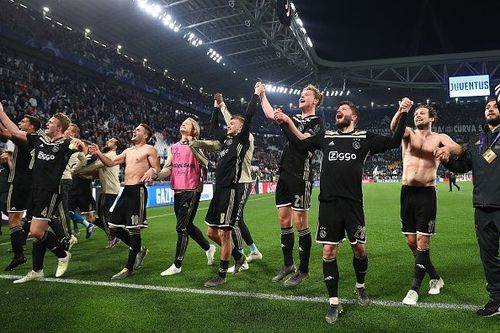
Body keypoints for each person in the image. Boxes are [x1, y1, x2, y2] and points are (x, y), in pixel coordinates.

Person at [276, 99, 410, 323]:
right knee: (328, 252)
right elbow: (300, 145)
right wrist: (284, 123)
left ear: (354, 117)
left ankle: (360, 286)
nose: (339, 111)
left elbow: (395, 141)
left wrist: (404, 112)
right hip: (328, 204)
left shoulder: (364, 138)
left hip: (352, 204)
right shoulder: (326, 136)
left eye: (344, 109)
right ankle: (334, 303)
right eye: (338, 109)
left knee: (359, 250)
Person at [0, 105, 86, 284]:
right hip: (34, 191)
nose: (47, 124)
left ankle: (62, 254)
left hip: (50, 193)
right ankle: (37, 270)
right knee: (37, 233)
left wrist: (79, 144)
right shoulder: (39, 140)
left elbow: (80, 148)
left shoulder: (64, 144)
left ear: (59, 127)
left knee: (36, 233)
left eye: (51, 122)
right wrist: (1, 113)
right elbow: (15, 132)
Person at [191, 82, 263, 287]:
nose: (228, 125)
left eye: (232, 123)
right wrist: (215, 107)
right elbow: (214, 127)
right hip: (218, 190)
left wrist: (255, 95)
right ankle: (239, 254)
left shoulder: (242, 140)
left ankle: (221, 274)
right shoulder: (227, 140)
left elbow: (247, 117)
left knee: (225, 232)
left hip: (232, 189)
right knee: (211, 232)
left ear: (240, 128)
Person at [390, 103, 463, 306]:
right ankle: (435, 277)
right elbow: (394, 128)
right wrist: (401, 111)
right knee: (411, 243)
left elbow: (460, 150)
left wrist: (447, 149)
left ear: (432, 118)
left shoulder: (440, 138)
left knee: (423, 242)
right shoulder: (408, 133)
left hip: (427, 194)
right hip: (407, 193)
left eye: (422, 113)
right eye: (416, 113)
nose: (418, 116)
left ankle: (414, 289)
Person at [437, 95, 500, 317]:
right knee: (488, 256)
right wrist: (446, 160)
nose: (490, 109)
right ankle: (496, 299)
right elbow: (463, 166)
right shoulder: (477, 138)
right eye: (487, 106)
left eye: (495, 105)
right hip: (482, 207)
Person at [260, 84, 324, 287]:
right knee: (283, 219)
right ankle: (288, 264)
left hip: (301, 175)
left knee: (300, 222)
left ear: (316, 101)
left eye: (307, 95)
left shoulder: (318, 122)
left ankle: (303, 270)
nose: (302, 96)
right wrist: (262, 94)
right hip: (285, 173)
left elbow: (304, 142)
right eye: (301, 94)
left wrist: (287, 123)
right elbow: (271, 114)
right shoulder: (294, 118)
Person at [88, 123, 160, 280]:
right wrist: (99, 152)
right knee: (113, 226)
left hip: (138, 191)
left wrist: (152, 171)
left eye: (138, 130)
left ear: (146, 135)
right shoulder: (128, 151)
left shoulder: (149, 149)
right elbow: (111, 162)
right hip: (126, 191)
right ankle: (139, 249)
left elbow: (157, 169)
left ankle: (128, 267)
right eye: (134, 129)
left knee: (134, 229)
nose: (134, 131)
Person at [157, 117, 216, 276]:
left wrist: (193, 146)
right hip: (177, 190)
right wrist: (156, 174)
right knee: (187, 226)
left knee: (181, 227)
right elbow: (167, 169)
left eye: (187, 123)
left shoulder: (198, 144)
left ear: (193, 129)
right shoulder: (173, 147)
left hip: (192, 189)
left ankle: (177, 264)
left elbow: (205, 163)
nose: (183, 124)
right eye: (182, 122)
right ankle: (208, 248)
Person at [214, 93, 262, 272]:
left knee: (234, 220)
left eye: (234, 123)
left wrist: (222, 106)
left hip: (243, 182)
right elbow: (230, 123)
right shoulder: (235, 138)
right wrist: (220, 105)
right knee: (236, 220)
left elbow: (233, 122)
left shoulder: (247, 137)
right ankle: (253, 251)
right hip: (234, 183)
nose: (230, 125)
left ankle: (241, 255)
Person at [0, 115, 40, 271]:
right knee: (20, 219)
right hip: (29, 183)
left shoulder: (26, 139)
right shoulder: (34, 140)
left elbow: (4, 132)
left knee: (14, 219)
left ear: (31, 128)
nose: (19, 123)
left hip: (19, 183)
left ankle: (19, 255)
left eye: (23, 122)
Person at [77, 138, 121, 248]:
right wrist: (86, 175)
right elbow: (98, 173)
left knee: (103, 216)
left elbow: (94, 166)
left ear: (115, 146)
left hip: (109, 190)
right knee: (100, 216)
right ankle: (116, 234)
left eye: (110, 141)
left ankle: (113, 237)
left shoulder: (110, 156)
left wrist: (76, 171)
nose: (107, 142)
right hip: (108, 189)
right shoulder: (107, 156)